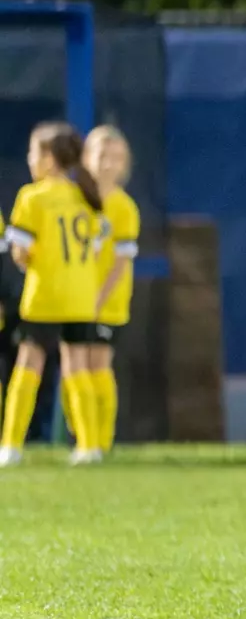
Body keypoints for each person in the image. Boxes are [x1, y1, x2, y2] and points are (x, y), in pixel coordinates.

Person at [1, 123, 106, 467]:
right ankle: (90, 446)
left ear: (48, 158)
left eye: (33, 153)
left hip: (45, 296)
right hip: (81, 297)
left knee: (29, 363)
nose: (30, 160)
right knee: (77, 366)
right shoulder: (87, 197)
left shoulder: (33, 197)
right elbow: (96, 246)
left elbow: (20, 251)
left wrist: (27, 259)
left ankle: (11, 445)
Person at [84, 125, 139, 458]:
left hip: (108, 299)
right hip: (74, 298)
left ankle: (102, 441)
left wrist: (99, 298)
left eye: (116, 158)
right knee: (75, 366)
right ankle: (83, 437)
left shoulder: (123, 207)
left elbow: (120, 262)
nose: (107, 164)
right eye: (101, 155)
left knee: (99, 363)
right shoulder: (77, 201)